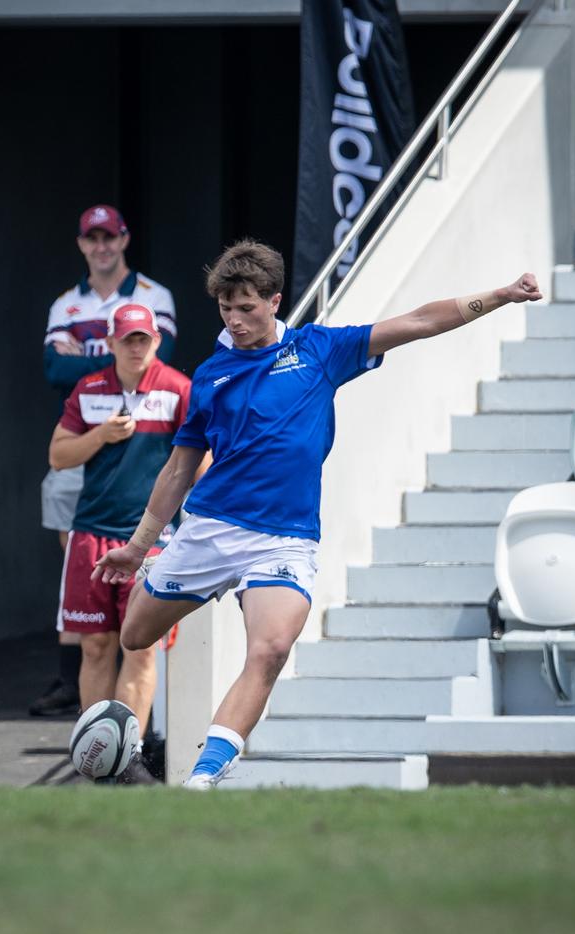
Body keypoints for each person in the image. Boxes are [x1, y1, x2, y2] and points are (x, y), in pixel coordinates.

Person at [93, 239, 542, 789]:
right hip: (209, 528)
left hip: (283, 540)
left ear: (275, 300)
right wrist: (140, 546)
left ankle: (202, 779)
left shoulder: (318, 350)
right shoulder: (210, 376)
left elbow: (421, 321)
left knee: (271, 648)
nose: (235, 319)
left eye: (247, 307)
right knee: (134, 636)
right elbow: (178, 472)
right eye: (225, 308)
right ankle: (148, 613)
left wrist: (498, 296)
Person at [30, 203, 178, 717]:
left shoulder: (154, 296)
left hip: (147, 514)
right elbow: (52, 369)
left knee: (139, 640)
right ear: (81, 243)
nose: (101, 246)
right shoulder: (65, 303)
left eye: (109, 237)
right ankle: (72, 689)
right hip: (88, 492)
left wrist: (88, 353)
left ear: (124, 239)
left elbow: (160, 363)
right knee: (87, 612)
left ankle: (136, 742)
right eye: (92, 238)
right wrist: (104, 368)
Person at [50, 301, 191, 783]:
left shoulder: (177, 389)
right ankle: (96, 760)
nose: (136, 347)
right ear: (110, 343)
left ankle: (125, 762)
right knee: (94, 646)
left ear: (156, 341)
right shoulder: (88, 389)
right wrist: (101, 436)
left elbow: (204, 457)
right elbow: (58, 455)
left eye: (143, 339)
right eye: (127, 339)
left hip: (150, 541)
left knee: (141, 649)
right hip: (91, 534)